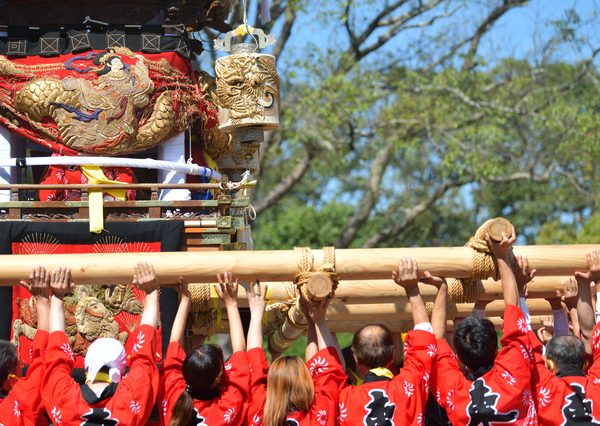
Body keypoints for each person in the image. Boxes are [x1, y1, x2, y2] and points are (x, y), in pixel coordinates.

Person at [430, 227, 536, 425]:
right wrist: (501, 257)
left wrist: (441, 290)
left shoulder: (455, 391)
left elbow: (436, 340)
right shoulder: (512, 374)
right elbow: (513, 308)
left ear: (459, 358)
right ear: (497, 350)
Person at [42, 262, 160, 425]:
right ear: (120, 373)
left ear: (86, 367)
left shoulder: (65, 400)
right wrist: (152, 292)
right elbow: (144, 352)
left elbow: (57, 354)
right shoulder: (131, 401)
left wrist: (56, 296)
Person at [337, 257, 440, 425]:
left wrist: (319, 320)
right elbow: (424, 338)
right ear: (392, 354)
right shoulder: (408, 387)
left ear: (355, 358)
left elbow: (326, 371)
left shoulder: (343, 398)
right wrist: (412, 290)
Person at [245, 282, 346, 425]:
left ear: (272, 384)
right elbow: (328, 369)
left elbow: (254, 360)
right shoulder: (319, 412)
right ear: (306, 381)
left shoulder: (263, 414)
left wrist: (255, 314)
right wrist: (315, 322)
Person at [160, 272, 249, 425]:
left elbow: (240, 349)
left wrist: (230, 303)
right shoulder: (228, 402)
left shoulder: (177, 399)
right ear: (218, 377)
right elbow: (174, 342)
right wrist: (231, 302)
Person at [527, 248, 600, 424]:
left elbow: (589, 334)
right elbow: (591, 334)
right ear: (584, 363)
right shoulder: (596, 386)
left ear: (549, 364)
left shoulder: (544, 389)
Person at [0, 266, 50, 425]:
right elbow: (42, 355)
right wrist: (42, 301)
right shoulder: (20, 404)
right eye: (19, 365)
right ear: (11, 380)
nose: (22, 367)